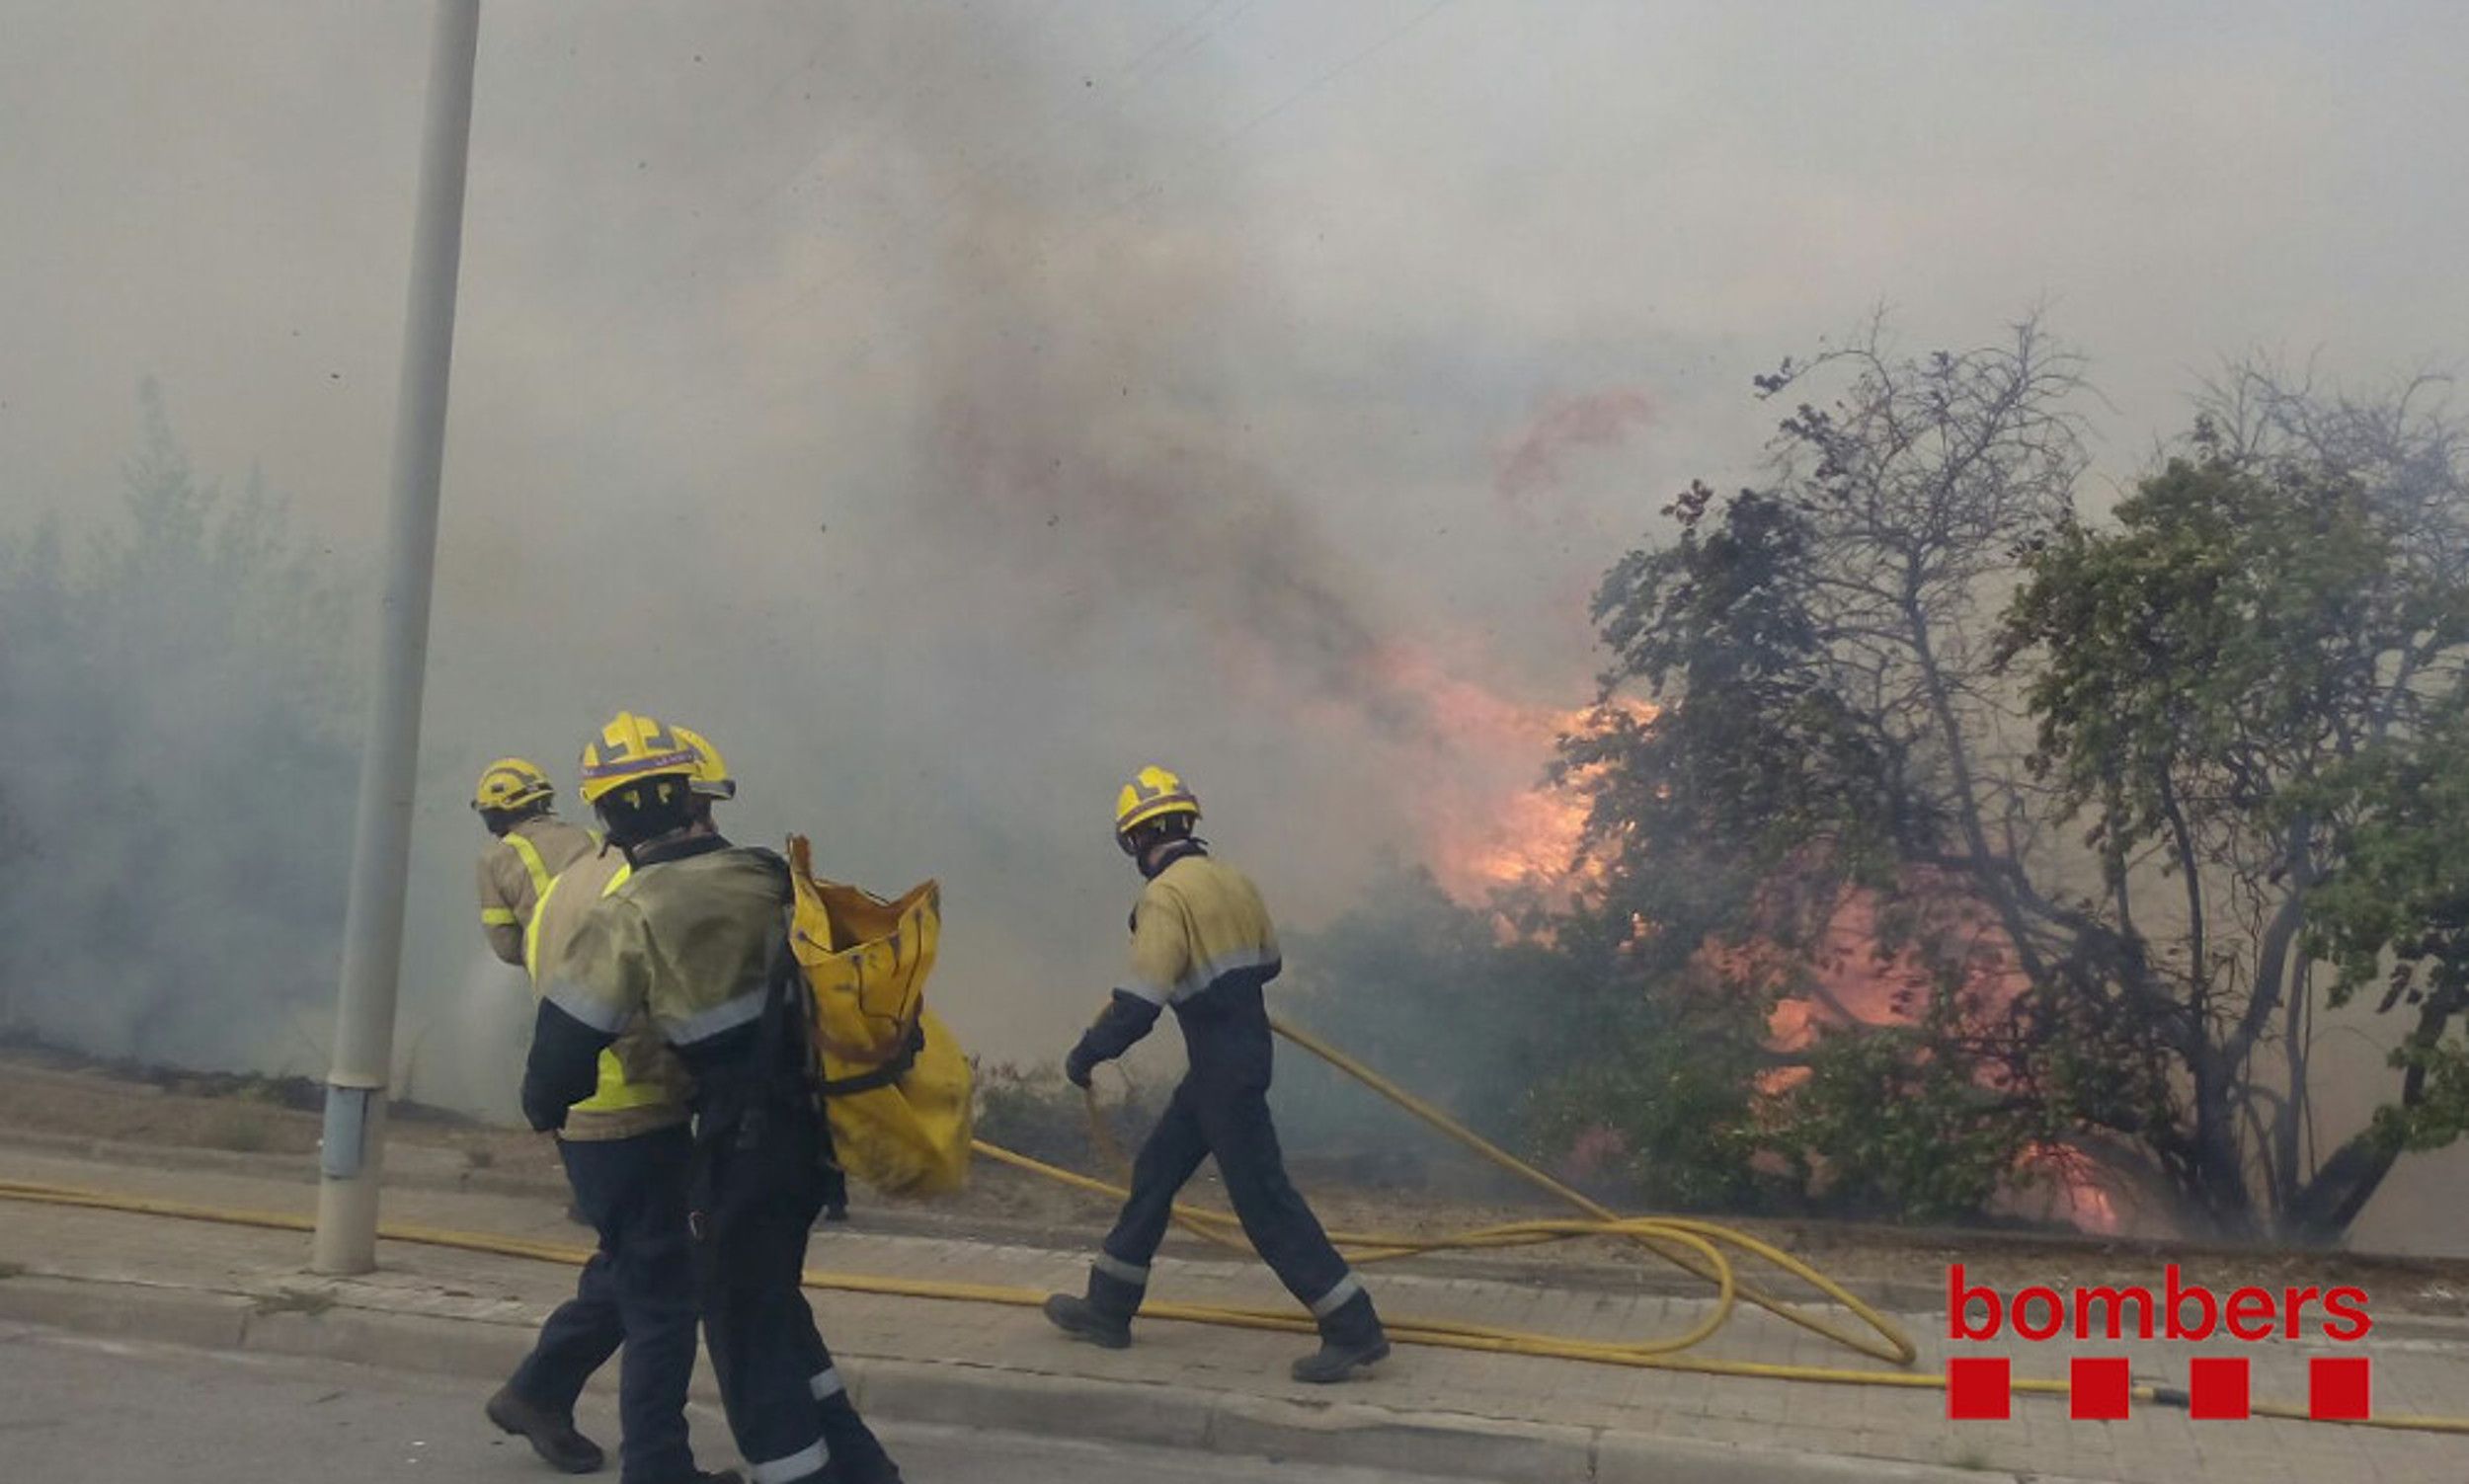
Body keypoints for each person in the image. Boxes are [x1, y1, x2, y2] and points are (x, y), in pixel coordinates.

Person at [523, 712, 902, 1484]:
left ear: (607, 816)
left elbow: (559, 1058)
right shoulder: (767, 877)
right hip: (810, 1138)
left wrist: (548, 1105)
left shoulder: (632, 914)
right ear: (691, 796)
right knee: (779, 1310)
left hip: (738, 1148)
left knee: (746, 1336)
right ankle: (865, 1470)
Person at [1042, 766, 1391, 1383]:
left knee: (1264, 1201)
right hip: (1232, 1059)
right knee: (1154, 1174)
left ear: (1135, 841)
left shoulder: (1164, 896)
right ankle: (1108, 1309)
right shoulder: (1234, 880)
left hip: (1222, 1071)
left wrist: (1087, 1053)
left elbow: (1141, 1001)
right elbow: (1271, 963)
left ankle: (1353, 1327)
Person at [485, 738, 733, 1484]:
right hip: (635, 1120)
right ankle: (659, 1468)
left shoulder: (578, 875)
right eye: (706, 807)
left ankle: (535, 1391)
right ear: (676, 802)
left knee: (630, 1262)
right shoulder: (644, 886)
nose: (712, 826)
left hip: (590, 1121)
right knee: (664, 1299)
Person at [473, 757, 597, 968]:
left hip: (558, 975)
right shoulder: (591, 837)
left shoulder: (495, 858)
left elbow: (506, 945)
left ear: (496, 811)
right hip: (616, 961)